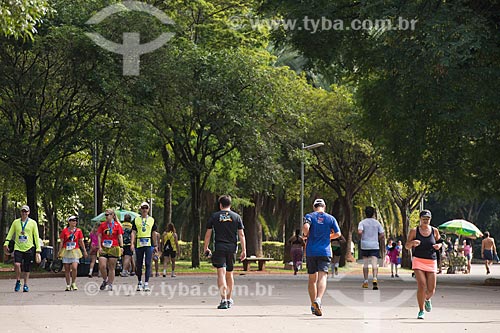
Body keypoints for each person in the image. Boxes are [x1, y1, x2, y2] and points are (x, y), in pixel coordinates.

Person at [203, 195, 246, 310]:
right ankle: (229, 298)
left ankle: (223, 300)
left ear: (220, 204)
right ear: (230, 204)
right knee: (230, 273)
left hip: (219, 247)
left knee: (221, 273)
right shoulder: (236, 217)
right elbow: (241, 234)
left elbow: (208, 234)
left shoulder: (215, 216)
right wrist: (244, 250)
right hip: (232, 248)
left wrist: (205, 247)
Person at [302, 198, 341, 317]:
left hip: (311, 251)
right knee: (323, 276)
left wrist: (305, 235)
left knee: (312, 279)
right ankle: (318, 300)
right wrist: (328, 237)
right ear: (324, 207)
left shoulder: (309, 216)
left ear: (314, 207)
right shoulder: (330, 218)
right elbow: (338, 233)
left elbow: (305, 228)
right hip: (325, 251)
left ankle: (313, 305)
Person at [405, 209, 442, 320]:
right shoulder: (414, 231)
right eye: (424, 219)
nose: (426, 221)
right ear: (420, 219)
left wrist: (439, 246)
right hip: (418, 260)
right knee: (422, 284)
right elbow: (406, 245)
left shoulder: (434, 231)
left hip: (431, 261)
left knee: (431, 289)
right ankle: (421, 310)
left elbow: (440, 242)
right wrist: (412, 243)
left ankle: (426, 299)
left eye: (428, 219)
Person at [3, 205, 42, 292]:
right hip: (18, 247)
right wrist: (6, 243)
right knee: (17, 264)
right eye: (23, 211)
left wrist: (38, 250)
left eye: (26, 211)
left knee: (27, 267)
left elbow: (36, 236)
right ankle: (18, 281)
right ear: (20, 212)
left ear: (28, 212)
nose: (24, 213)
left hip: (29, 247)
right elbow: (10, 233)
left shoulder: (33, 223)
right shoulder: (16, 222)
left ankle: (26, 284)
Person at [131, 202, 158, 292]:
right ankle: (139, 282)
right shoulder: (136, 220)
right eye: (143, 208)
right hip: (139, 243)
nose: (144, 210)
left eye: (146, 208)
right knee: (139, 264)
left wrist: (155, 245)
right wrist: (132, 243)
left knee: (148, 263)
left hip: (148, 244)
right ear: (140, 209)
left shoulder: (152, 220)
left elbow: (154, 233)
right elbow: (133, 232)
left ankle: (146, 283)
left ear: (148, 209)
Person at [358, 206, 385, 290]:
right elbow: (382, 234)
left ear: (365, 213)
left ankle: (366, 281)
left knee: (365, 263)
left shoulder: (362, 222)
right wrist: (377, 238)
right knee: (374, 263)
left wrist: (362, 237)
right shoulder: (377, 223)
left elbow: (360, 231)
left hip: (365, 245)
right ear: (373, 213)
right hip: (374, 245)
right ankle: (375, 278)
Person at [97, 208, 124, 291]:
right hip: (104, 247)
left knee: (111, 267)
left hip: (114, 247)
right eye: (105, 215)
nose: (106, 216)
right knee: (102, 265)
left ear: (112, 215)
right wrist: (99, 247)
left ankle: (110, 283)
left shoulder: (117, 225)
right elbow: (99, 236)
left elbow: (120, 236)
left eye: (107, 215)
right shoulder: (102, 225)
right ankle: (105, 280)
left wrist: (121, 247)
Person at [59, 216, 88, 291]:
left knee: (74, 267)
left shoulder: (79, 231)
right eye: (72, 220)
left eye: (75, 221)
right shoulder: (64, 231)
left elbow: (81, 241)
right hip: (66, 250)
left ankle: (74, 282)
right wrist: (59, 251)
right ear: (69, 222)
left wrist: (84, 250)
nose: (74, 222)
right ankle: (68, 284)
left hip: (75, 250)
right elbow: (62, 241)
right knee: (67, 269)